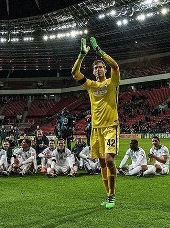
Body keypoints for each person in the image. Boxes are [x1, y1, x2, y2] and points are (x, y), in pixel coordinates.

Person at [71, 37, 120, 209]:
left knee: (109, 160)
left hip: (110, 126)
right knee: (101, 163)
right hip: (96, 129)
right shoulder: (91, 85)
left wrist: (98, 50)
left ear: (104, 69)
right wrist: (82, 55)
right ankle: (108, 195)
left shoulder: (112, 82)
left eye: (100, 66)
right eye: (96, 67)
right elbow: (74, 73)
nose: (98, 68)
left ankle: (112, 194)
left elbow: (116, 66)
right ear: (93, 71)